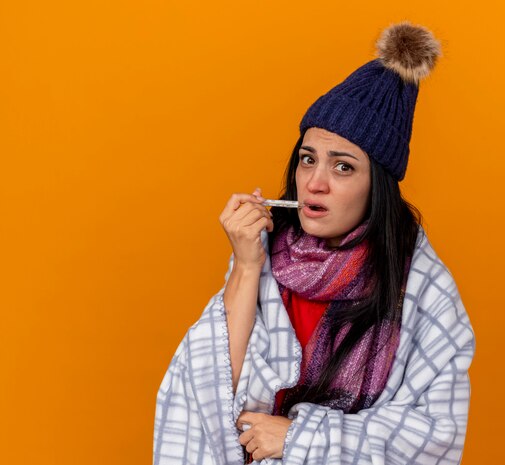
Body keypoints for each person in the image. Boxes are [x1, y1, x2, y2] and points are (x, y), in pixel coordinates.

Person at [153, 21, 475, 465]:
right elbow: (203, 392)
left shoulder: (424, 290)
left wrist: (299, 439)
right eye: (308, 160)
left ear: (376, 186)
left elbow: (435, 438)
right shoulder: (263, 257)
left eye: (342, 167)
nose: (315, 183)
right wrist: (246, 266)